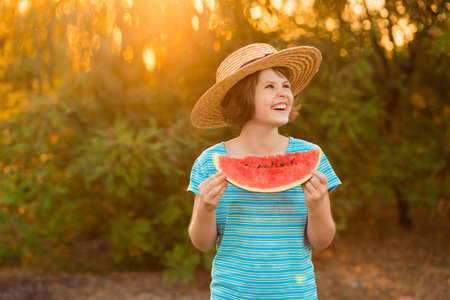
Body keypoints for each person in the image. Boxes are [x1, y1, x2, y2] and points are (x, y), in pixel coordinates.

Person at [187, 43, 342, 299]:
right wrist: (205, 207)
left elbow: (322, 242)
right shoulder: (209, 162)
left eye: (286, 86)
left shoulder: (311, 156)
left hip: (296, 294)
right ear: (243, 98)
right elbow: (201, 244)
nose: (283, 93)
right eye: (269, 87)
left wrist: (318, 205)